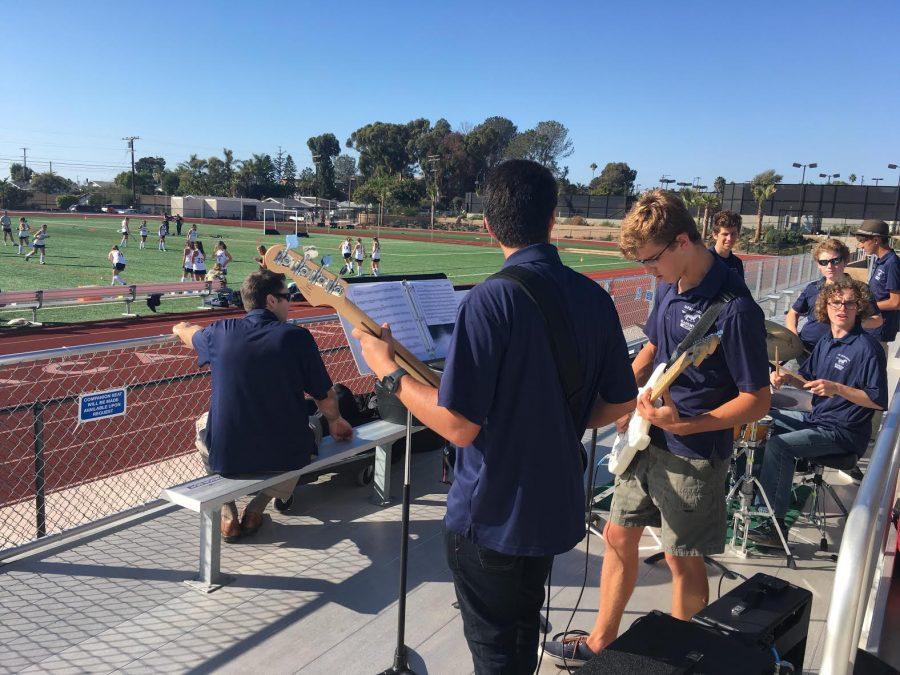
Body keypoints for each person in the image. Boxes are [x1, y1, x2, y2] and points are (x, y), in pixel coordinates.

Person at [352, 160, 638, 673]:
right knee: (522, 634)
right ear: (553, 219)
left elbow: (459, 424)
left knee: (496, 655)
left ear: (488, 225)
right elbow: (619, 403)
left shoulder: (489, 300)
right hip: (553, 506)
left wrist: (388, 372)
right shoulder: (595, 297)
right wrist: (557, 420)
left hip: (492, 518)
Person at [545, 190, 771, 667]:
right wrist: (623, 397)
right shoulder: (671, 282)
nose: (649, 272)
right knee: (617, 535)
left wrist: (689, 424)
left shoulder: (736, 309)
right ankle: (600, 642)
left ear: (683, 242)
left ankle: (682, 658)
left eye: (651, 262)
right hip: (646, 438)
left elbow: (758, 400)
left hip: (693, 453)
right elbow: (654, 349)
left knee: (681, 559)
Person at [171, 269, 353, 540]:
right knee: (311, 430)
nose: (289, 302)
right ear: (271, 300)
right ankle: (258, 507)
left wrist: (179, 328)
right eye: (287, 296)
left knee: (202, 424)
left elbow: (189, 334)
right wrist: (336, 421)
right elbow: (324, 396)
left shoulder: (220, 332)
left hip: (229, 454)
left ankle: (228, 511)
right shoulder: (296, 337)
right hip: (285, 454)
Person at [749, 279, 887, 547]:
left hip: (843, 431)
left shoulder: (867, 349)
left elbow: (877, 400)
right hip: (818, 419)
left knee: (779, 446)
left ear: (858, 308)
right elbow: (808, 382)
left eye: (849, 303)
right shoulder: (827, 341)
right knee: (760, 419)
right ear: (826, 306)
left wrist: (838, 388)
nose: (842, 308)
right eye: (836, 302)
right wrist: (787, 378)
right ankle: (756, 497)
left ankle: (773, 528)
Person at [787, 239, 882, 352]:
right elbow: (793, 313)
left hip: (839, 352)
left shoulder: (860, 289)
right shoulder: (812, 288)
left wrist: (853, 324)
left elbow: (877, 320)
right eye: (823, 262)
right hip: (805, 350)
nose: (829, 266)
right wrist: (794, 336)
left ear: (845, 261)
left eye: (835, 261)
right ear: (818, 265)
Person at [855, 219, 900, 351]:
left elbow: (895, 302)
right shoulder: (882, 261)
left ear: (876, 240)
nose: (860, 245)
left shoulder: (892, 263)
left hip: (879, 330)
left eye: (863, 240)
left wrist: (863, 307)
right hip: (873, 326)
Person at [708, 210, 744, 277]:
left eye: (733, 234)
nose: (729, 238)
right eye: (725, 234)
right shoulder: (704, 259)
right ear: (715, 235)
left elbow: (740, 287)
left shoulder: (737, 263)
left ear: (738, 234)